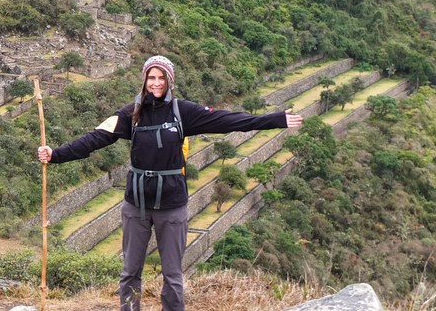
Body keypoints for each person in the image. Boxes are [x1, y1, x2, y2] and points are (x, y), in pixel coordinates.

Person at [37, 55, 303, 311]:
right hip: (136, 205)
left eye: (161, 78)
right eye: (151, 78)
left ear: (169, 81)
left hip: (172, 206)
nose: (156, 83)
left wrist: (275, 119)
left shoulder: (182, 112)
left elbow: (228, 121)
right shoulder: (131, 114)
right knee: (130, 272)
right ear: (143, 81)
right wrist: (56, 154)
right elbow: (95, 138)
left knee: (173, 275)